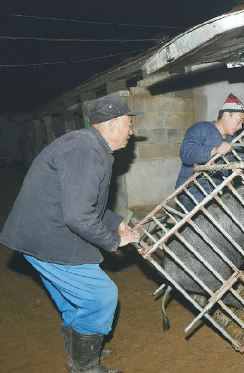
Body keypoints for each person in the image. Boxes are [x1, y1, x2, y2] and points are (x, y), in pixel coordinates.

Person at [0, 94, 141, 373]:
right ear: (112, 124)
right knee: (101, 296)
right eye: (128, 124)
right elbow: (77, 214)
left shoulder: (87, 145)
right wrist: (115, 239)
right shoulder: (86, 152)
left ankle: (80, 356)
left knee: (73, 302)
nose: (131, 131)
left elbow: (82, 201)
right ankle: (87, 366)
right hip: (49, 236)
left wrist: (116, 222)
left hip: (36, 234)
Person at [175, 93, 244, 209]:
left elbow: (242, 162)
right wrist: (214, 151)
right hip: (191, 194)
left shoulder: (234, 141)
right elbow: (186, 152)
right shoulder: (201, 128)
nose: (240, 127)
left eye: (242, 123)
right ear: (227, 114)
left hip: (216, 196)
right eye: (240, 120)